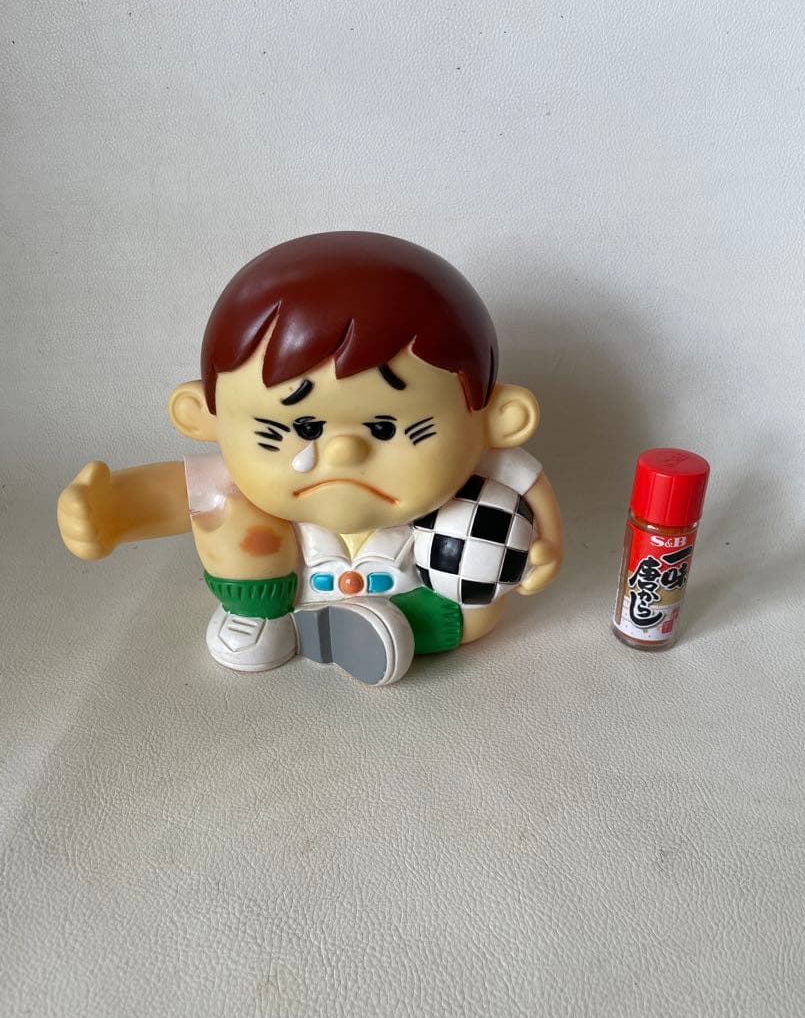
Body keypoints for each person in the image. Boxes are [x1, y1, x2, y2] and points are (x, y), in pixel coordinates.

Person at [57, 232, 562, 685]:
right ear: (205, 417)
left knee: (477, 607)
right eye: (302, 428)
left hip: (418, 579)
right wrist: (114, 511)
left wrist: (548, 546)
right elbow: (175, 494)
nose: (343, 451)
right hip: (290, 577)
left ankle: (365, 629)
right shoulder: (240, 480)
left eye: (386, 428)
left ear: (495, 421)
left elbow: (526, 480)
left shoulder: (481, 468)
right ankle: (261, 616)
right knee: (230, 510)